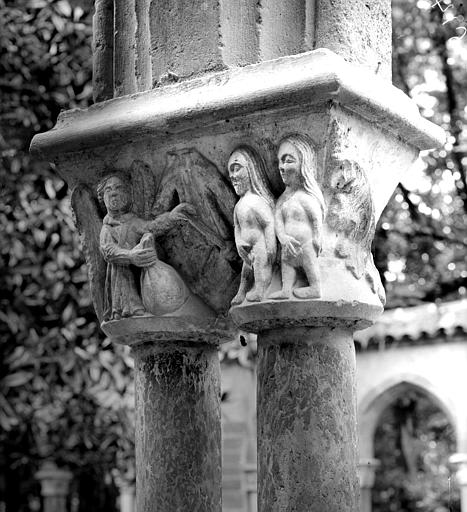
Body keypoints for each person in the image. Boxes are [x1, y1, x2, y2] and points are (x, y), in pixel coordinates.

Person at [98, 173, 190, 320]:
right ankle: (126, 310)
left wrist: (171, 217)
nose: (113, 192)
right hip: (121, 275)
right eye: (108, 190)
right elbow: (108, 251)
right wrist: (129, 256)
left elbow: (152, 227)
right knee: (126, 287)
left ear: (129, 194)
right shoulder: (107, 228)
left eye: (118, 188)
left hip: (140, 270)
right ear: (102, 198)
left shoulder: (132, 221)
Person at [270, 134, 325, 300]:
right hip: (288, 246)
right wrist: (282, 238)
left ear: (304, 164)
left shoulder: (306, 197)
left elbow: (316, 218)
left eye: (288, 160)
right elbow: (277, 220)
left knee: (310, 265)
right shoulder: (283, 199)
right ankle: (286, 289)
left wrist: (317, 237)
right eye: (280, 161)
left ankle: (315, 288)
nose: (281, 167)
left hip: (306, 245)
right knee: (286, 264)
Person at [228, 147, 276, 304]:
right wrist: (238, 242)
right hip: (245, 249)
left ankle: (260, 290)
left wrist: (270, 248)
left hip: (259, 246)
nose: (232, 175)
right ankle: (242, 292)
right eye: (231, 171)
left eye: (237, 169)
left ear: (251, 170)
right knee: (245, 274)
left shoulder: (257, 201)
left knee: (260, 269)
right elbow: (236, 227)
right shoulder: (239, 205)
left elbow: (268, 223)